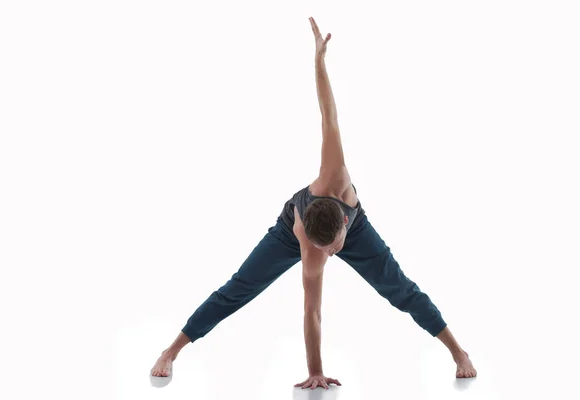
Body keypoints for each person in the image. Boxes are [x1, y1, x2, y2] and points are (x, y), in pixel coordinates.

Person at [150, 17, 477, 388]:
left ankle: (458, 351)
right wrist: (315, 372)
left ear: (342, 226)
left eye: (334, 247)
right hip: (291, 231)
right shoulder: (310, 243)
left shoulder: (335, 175)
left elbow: (328, 114)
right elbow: (312, 311)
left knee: (400, 289)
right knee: (239, 289)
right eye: (327, 250)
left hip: (354, 224)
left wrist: (319, 60)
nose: (333, 254)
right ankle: (171, 350)